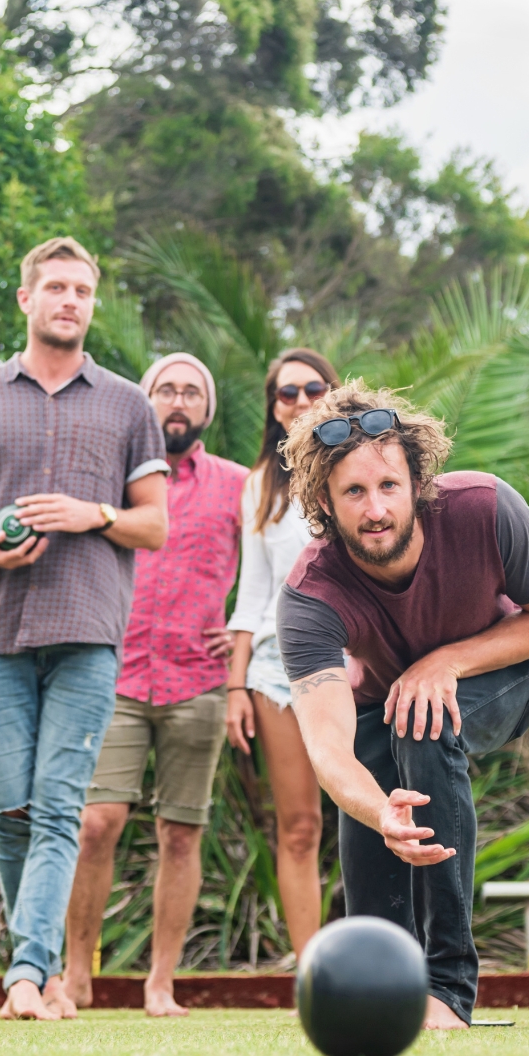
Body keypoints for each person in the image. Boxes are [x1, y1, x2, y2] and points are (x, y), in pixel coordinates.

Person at [0, 236, 170, 1022]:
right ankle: (44, 975)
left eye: (82, 291)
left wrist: (95, 515)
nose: (69, 301)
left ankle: (26, 973)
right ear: (25, 299)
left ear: (92, 305)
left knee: (58, 806)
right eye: (55, 287)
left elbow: (155, 525)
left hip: (89, 630)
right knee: (8, 809)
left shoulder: (127, 404)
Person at [277, 384, 529, 1029]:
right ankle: (385, 993)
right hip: (383, 703)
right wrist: (377, 809)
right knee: (370, 789)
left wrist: (445, 663)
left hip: (505, 671)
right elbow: (328, 748)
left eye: (389, 485)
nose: (376, 508)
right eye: (353, 493)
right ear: (325, 506)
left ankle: (447, 988)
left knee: (422, 722)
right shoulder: (311, 594)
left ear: (418, 482)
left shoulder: (486, 508)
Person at [57, 352, 247, 1018]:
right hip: (115, 673)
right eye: (166, 388)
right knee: (96, 825)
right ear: (144, 401)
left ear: (206, 409)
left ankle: (159, 983)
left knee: (181, 834)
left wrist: (251, 627)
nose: (178, 400)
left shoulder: (237, 484)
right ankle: (77, 974)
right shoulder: (113, 479)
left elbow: (287, 561)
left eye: (191, 391)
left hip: (199, 678)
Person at [223, 348, 340, 957]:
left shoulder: (361, 466)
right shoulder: (260, 487)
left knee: (372, 820)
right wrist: (235, 686)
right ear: (272, 406)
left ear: (333, 391)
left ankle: (399, 965)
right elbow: (253, 593)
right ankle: (315, 972)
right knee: (299, 827)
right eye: (286, 393)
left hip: (356, 660)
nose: (299, 402)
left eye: (312, 388)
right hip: (276, 669)